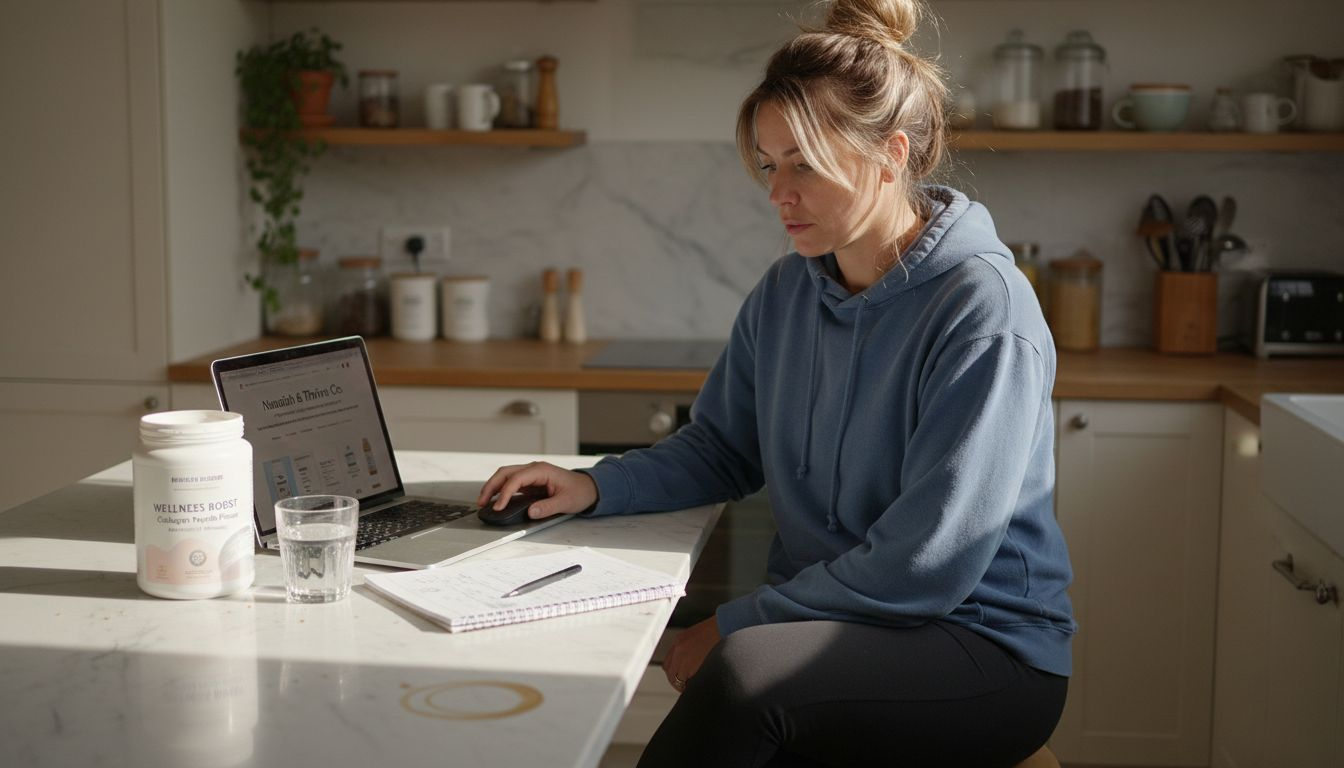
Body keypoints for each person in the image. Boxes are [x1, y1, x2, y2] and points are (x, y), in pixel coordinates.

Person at [476, 0, 1075, 764]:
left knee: (744, 679)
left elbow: (927, 562)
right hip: (837, 626)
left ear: (891, 154)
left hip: (978, 644)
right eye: (768, 164)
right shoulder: (789, 291)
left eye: (804, 166)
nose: (776, 193)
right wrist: (594, 485)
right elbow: (723, 447)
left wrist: (734, 623)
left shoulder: (982, 308)